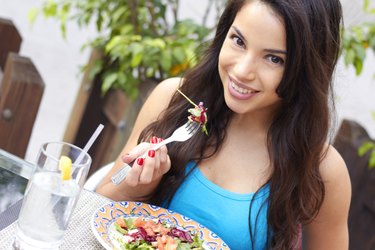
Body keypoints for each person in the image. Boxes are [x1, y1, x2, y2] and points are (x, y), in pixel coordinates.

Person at [96, 0, 351, 249]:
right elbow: (95, 209)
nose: (241, 71)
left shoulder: (323, 168)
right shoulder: (172, 100)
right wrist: (136, 187)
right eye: (238, 41)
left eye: (274, 59)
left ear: (306, 70)